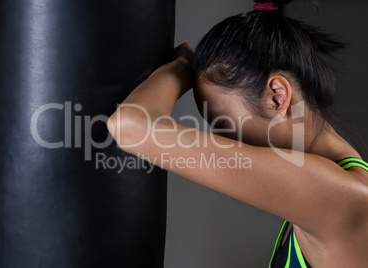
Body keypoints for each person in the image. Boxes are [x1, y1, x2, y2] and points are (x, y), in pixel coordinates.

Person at [107, 0, 368, 267]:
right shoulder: (323, 189)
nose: (221, 143)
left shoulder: (335, 197)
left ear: (277, 98)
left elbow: (128, 126)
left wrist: (180, 67)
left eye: (224, 126)